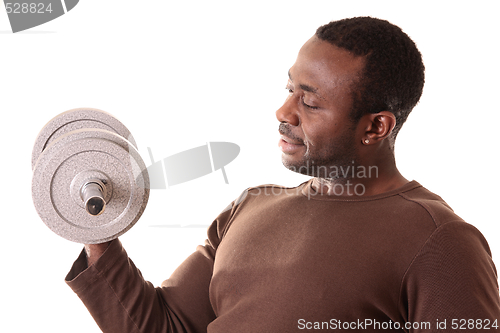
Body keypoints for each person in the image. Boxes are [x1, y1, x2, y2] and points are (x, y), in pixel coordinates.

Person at [66, 17, 500, 332]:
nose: (284, 112)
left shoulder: (441, 242)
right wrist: (96, 227)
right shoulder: (251, 206)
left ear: (375, 127)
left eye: (310, 102)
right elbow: (167, 326)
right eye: (290, 88)